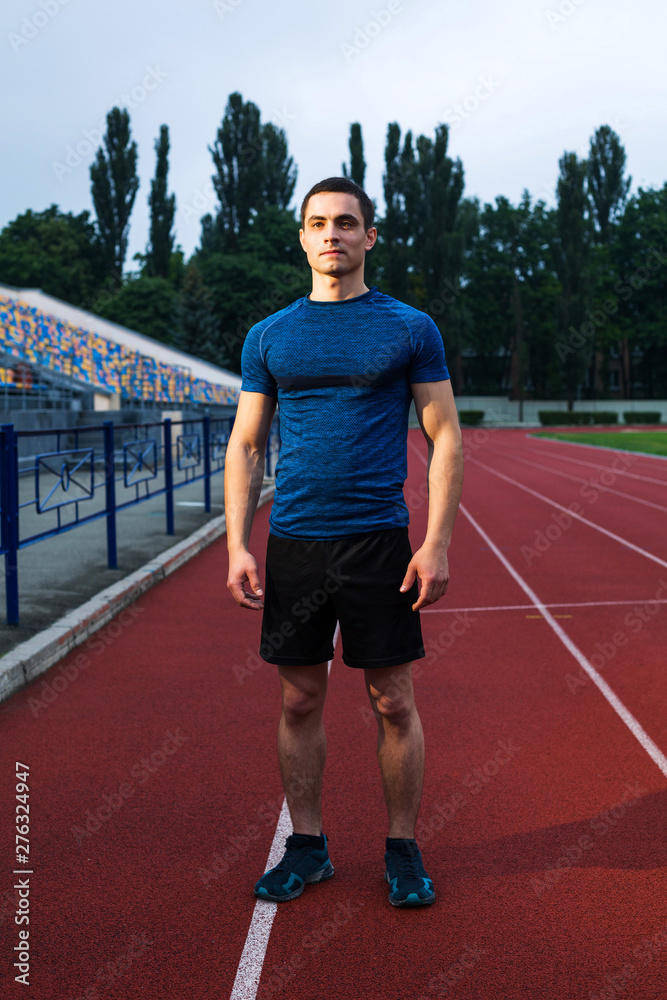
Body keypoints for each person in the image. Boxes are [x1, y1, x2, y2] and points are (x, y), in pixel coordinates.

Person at [225, 176, 463, 908]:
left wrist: (436, 542)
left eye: (347, 223)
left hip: (378, 543)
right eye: (318, 223)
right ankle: (308, 847)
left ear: (368, 237)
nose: (332, 234)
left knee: (392, 699)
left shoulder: (409, 327)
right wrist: (237, 544)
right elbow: (245, 442)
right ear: (301, 237)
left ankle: (400, 849)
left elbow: (445, 431)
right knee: (299, 698)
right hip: (296, 541)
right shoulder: (269, 335)